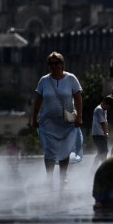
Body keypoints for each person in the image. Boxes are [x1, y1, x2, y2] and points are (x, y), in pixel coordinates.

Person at [32, 52, 83, 183]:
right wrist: (34, 118)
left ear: (62, 64)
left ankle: (63, 176)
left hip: (66, 122)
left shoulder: (71, 79)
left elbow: (78, 97)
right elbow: (38, 100)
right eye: (51, 64)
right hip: (47, 122)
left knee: (65, 148)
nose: (54, 66)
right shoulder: (44, 80)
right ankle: (49, 177)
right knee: (49, 150)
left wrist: (79, 116)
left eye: (57, 63)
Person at [93, 95, 113, 168]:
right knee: (104, 151)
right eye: (108, 107)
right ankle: (104, 167)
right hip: (98, 134)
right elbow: (102, 122)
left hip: (100, 134)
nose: (108, 109)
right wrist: (106, 133)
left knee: (101, 151)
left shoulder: (103, 110)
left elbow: (105, 122)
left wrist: (106, 132)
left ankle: (94, 168)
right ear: (105, 103)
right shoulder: (99, 109)